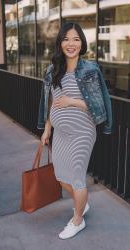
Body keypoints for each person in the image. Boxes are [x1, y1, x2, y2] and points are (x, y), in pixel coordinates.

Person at [37, 22, 112, 239]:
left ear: (82, 43)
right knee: (61, 176)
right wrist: (47, 128)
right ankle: (82, 203)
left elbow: (100, 106)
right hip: (60, 133)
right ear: (60, 42)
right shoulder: (53, 70)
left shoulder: (90, 69)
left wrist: (72, 101)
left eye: (76, 39)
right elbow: (50, 101)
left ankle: (77, 220)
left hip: (82, 132)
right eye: (67, 39)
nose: (71, 43)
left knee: (77, 178)